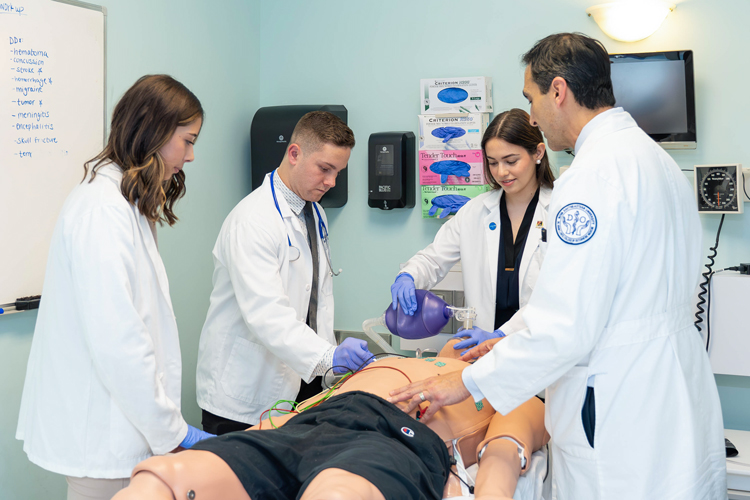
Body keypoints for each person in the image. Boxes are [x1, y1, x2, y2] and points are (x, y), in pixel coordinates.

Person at [390, 33, 726, 499]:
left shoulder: (588, 179)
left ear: (559, 91)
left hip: (615, 405)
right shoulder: (659, 163)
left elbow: (565, 324)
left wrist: (466, 382)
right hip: (671, 390)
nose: (534, 115)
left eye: (532, 97)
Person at [16, 75, 214, 500]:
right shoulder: (101, 210)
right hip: (104, 437)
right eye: (187, 140)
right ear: (154, 131)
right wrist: (171, 431)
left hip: (123, 431)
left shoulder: (124, 201)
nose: (192, 155)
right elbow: (119, 342)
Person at [112, 339, 550, 500]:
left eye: (496, 345)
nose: (477, 346)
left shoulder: (505, 390)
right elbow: (297, 413)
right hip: (314, 422)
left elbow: (504, 456)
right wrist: (257, 436)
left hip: (397, 437)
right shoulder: (398, 360)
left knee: (336, 493)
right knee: (164, 477)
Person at [196, 111, 374, 435]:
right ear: (294, 154)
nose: (332, 182)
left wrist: (329, 372)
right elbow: (268, 315)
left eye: (338, 172)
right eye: (325, 169)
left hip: (299, 387)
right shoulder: (252, 221)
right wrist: (329, 356)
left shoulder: (314, 212)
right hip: (243, 398)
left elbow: (315, 302)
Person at [391, 108, 554, 353]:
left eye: (511, 161)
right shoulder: (475, 211)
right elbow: (434, 258)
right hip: (483, 355)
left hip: (540, 353)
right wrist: (409, 276)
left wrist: (503, 334)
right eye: (492, 162)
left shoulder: (558, 210)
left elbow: (555, 295)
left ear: (537, 153)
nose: (501, 172)